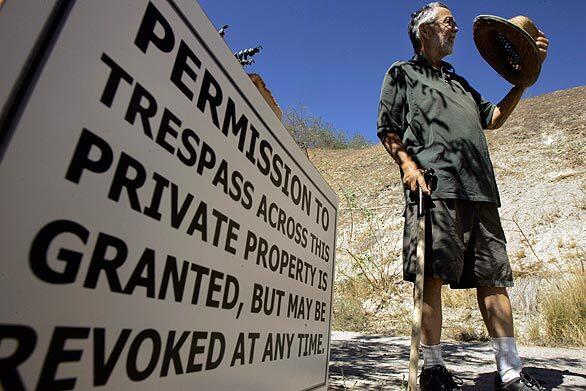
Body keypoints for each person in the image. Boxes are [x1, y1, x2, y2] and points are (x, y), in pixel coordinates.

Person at [376, 3, 549, 390]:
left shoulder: (459, 82)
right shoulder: (402, 73)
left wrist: (524, 78)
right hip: (434, 190)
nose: (454, 27)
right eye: (447, 21)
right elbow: (387, 128)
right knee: (431, 278)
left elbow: (494, 118)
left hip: (481, 192)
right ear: (424, 31)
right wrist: (408, 166)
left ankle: (510, 371)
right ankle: (433, 368)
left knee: (493, 278)